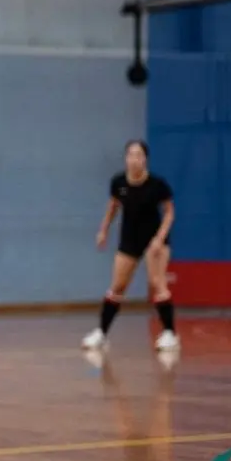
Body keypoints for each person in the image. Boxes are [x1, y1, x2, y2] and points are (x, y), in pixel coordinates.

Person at [83, 140, 179, 351]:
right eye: (130, 155)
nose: (134, 160)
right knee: (117, 286)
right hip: (129, 239)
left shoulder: (157, 184)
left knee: (157, 282)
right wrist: (103, 230)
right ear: (126, 158)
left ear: (145, 159)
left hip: (154, 240)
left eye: (139, 155)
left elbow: (170, 212)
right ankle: (101, 333)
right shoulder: (118, 182)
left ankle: (170, 334)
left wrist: (159, 238)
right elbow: (113, 207)